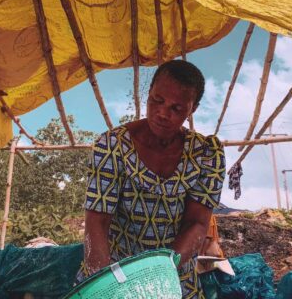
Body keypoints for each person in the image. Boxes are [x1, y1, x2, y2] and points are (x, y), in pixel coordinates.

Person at [76, 60, 226, 299]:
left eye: (177, 108)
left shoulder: (206, 154)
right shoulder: (113, 146)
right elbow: (98, 221)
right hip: (113, 269)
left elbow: (197, 223)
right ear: (149, 93)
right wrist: (107, 288)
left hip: (174, 272)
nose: (163, 113)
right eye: (157, 100)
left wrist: (159, 275)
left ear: (193, 109)